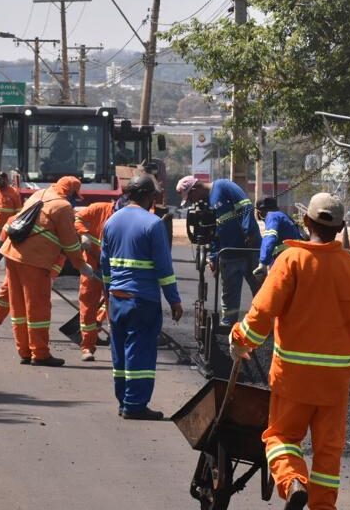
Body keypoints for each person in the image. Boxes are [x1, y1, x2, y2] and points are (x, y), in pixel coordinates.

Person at [229, 193, 350, 510]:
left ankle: (294, 482)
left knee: (280, 438)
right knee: (328, 451)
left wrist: (241, 340)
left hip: (293, 377)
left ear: (306, 223)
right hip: (335, 382)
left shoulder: (291, 260)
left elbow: (262, 312)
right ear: (341, 228)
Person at [100, 174, 183, 420]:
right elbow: (164, 269)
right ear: (149, 197)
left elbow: (104, 265)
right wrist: (174, 300)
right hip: (142, 300)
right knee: (140, 350)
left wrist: (107, 296)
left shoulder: (111, 222)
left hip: (117, 297)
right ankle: (135, 405)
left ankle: (124, 401)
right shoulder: (154, 224)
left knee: (120, 351)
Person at [0, 176, 94, 366]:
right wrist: (81, 265)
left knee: (19, 307)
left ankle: (25, 351)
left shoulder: (39, 194)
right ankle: (40, 354)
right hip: (34, 260)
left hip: (12, 253)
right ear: (71, 193)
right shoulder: (63, 207)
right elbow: (69, 242)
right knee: (38, 308)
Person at [176, 175, 262, 328]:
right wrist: (213, 257)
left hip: (249, 250)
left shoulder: (223, 186)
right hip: (228, 255)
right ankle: (229, 327)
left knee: (261, 290)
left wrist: (249, 233)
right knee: (229, 295)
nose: (192, 202)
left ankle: (264, 324)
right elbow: (215, 233)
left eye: (190, 197)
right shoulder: (207, 205)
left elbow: (246, 205)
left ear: (195, 188)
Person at [74, 199, 116, 361]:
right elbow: (78, 218)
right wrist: (84, 234)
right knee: (88, 305)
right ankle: (87, 347)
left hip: (113, 268)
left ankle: (116, 345)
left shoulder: (130, 216)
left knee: (114, 306)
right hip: (92, 266)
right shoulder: (98, 209)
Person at [254, 197, 304, 280]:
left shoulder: (272, 216)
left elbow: (269, 238)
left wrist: (263, 263)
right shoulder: (284, 216)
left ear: (261, 212)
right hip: (296, 259)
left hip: (284, 261)